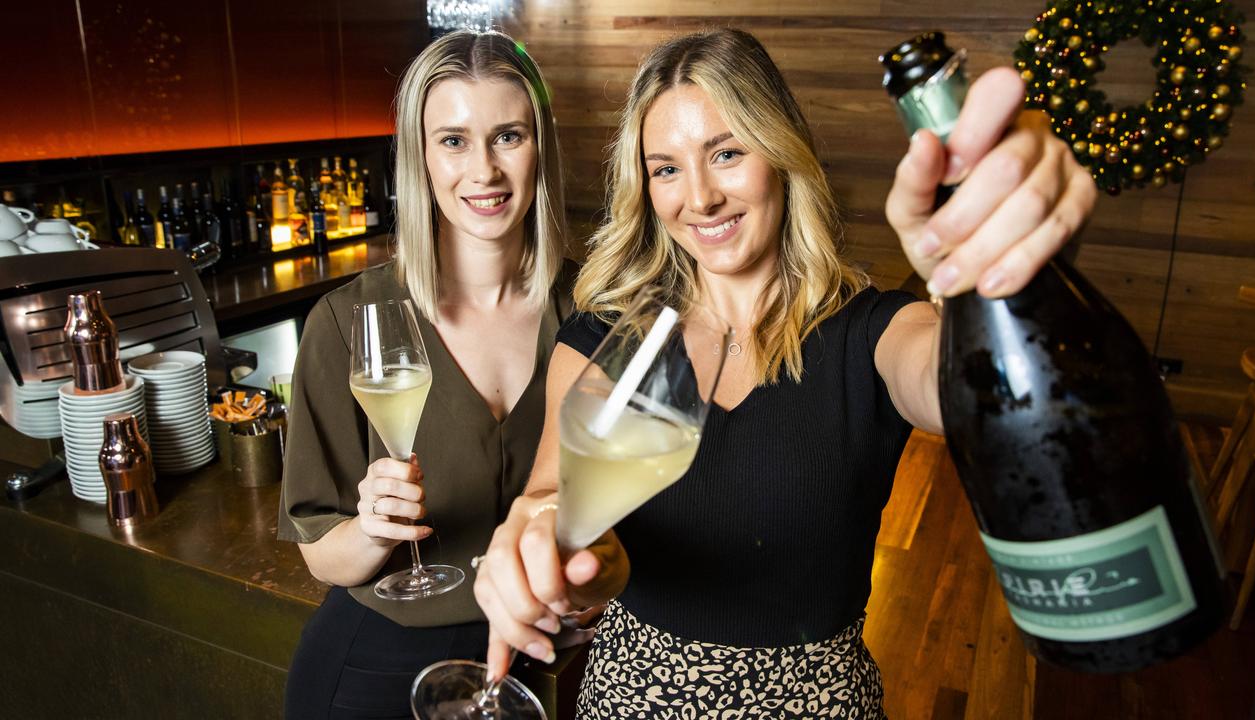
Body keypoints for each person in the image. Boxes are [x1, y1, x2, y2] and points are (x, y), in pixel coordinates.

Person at [471, 28, 1097, 717]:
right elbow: (557, 508)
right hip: (630, 697)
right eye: (666, 168)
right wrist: (552, 556)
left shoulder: (873, 330)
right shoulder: (608, 338)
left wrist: (995, 279)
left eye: (727, 153)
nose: (700, 198)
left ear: (782, 153)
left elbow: (969, 390)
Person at [277, 30, 587, 719]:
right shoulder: (346, 320)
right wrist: (372, 528)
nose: (484, 171)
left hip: (537, 659)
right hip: (377, 664)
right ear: (419, 157)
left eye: (508, 136)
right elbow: (320, 556)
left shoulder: (591, 314)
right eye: (452, 140)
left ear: (542, 149)